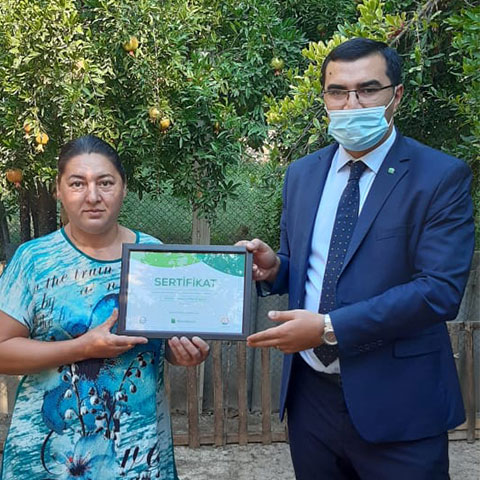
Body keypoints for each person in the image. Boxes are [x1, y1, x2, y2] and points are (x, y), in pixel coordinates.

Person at [242, 38, 475, 479]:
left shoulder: (439, 177)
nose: (351, 104)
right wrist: (276, 268)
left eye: (367, 89)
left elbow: (439, 292)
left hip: (400, 403)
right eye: (338, 91)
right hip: (311, 398)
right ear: (324, 98)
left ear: (396, 96)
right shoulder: (302, 174)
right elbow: (315, 265)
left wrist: (329, 328)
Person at [0, 135, 209, 479]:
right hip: (47, 459)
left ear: (123, 188)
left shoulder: (153, 255)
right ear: (58, 190)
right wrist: (82, 348)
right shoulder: (34, 260)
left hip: (136, 454)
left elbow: (165, 340)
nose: (93, 196)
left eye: (105, 182)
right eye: (77, 183)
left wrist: (182, 351)